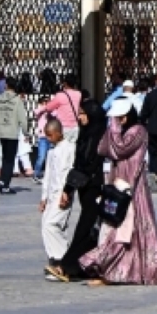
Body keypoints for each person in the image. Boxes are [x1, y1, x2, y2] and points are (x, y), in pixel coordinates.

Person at [80, 100, 157, 286]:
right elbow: (104, 149)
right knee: (114, 226)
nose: (118, 120)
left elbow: (120, 149)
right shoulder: (119, 131)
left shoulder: (138, 131)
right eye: (116, 117)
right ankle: (111, 270)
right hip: (117, 184)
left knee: (127, 229)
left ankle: (124, 270)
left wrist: (113, 128)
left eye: (120, 117)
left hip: (132, 187)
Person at [59, 97, 108, 281]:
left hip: (96, 187)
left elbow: (87, 164)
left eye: (82, 114)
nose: (79, 117)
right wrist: (69, 188)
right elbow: (79, 163)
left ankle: (69, 264)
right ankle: (80, 265)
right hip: (85, 187)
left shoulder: (99, 136)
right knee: (89, 227)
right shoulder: (87, 133)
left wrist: (69, 187)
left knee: (86, 227)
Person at [38, 116, 78, 281]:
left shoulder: (70, 149)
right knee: (48, 225)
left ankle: (60, 259)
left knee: (51, 225)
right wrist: (43, 197)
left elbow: (71, 171)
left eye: (50, 135)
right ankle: (62, 258)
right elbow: (48, 176)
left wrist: (67, 192)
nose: (48, 139)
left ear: (59, 133)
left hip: (63, 194)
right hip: (52, 195)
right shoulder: (51, 151)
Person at [0, 78, 28, 194]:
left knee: (5, 157)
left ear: (6, 86)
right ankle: (5, 184)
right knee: (10, 159)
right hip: (12, 133)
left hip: (1, 132)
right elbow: (22, 119)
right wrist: (26, 132)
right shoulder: (17, 100)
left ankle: (1, 180)